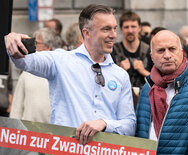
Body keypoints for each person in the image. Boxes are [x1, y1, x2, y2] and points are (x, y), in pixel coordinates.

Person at [5, 4, 136, 145]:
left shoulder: (120, 75)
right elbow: (25, 62)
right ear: (86, 33)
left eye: (114, 28)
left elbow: (129, 125)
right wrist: (12, 39)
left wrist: (104, 124)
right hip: (65, 149)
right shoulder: (61, 61)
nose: (114, 35)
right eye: (106, 29)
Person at [135, 30, 188, 154]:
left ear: (181, 53)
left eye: (172, 49)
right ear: (152, 56)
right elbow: (140, 134)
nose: (167, 55)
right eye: (161, 50)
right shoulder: (147, 89)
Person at [10, 28, 62, 123]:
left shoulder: (61, 71)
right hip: (28, 130)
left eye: (37, 43)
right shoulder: (26, 72)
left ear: (48, 47)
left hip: (53, 131)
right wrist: (13, 126)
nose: (32, 46)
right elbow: (17, 106)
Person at [112, 11, 150, 88]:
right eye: (126, 27)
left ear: (139, 28)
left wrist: (143, 71)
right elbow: (108, 80)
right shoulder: (113, 51)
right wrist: (120, 71)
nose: (130, 31)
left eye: (133, 27)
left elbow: (159, 81)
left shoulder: (149, 50)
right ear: (121, 29)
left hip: (145, 97)